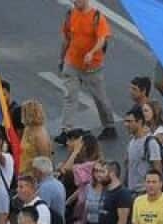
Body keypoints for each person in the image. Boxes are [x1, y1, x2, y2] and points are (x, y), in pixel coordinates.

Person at [58, 0, 116, 140]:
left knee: (100, 98)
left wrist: (91, 53)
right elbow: (66, 39)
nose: (75, 1)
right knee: (70, 96)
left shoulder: (96, 17)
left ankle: (109, 126)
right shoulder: (70, 15)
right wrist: (61, 58)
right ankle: (66, 130)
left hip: (92, 67)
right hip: (72, 62)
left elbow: (101, 39)